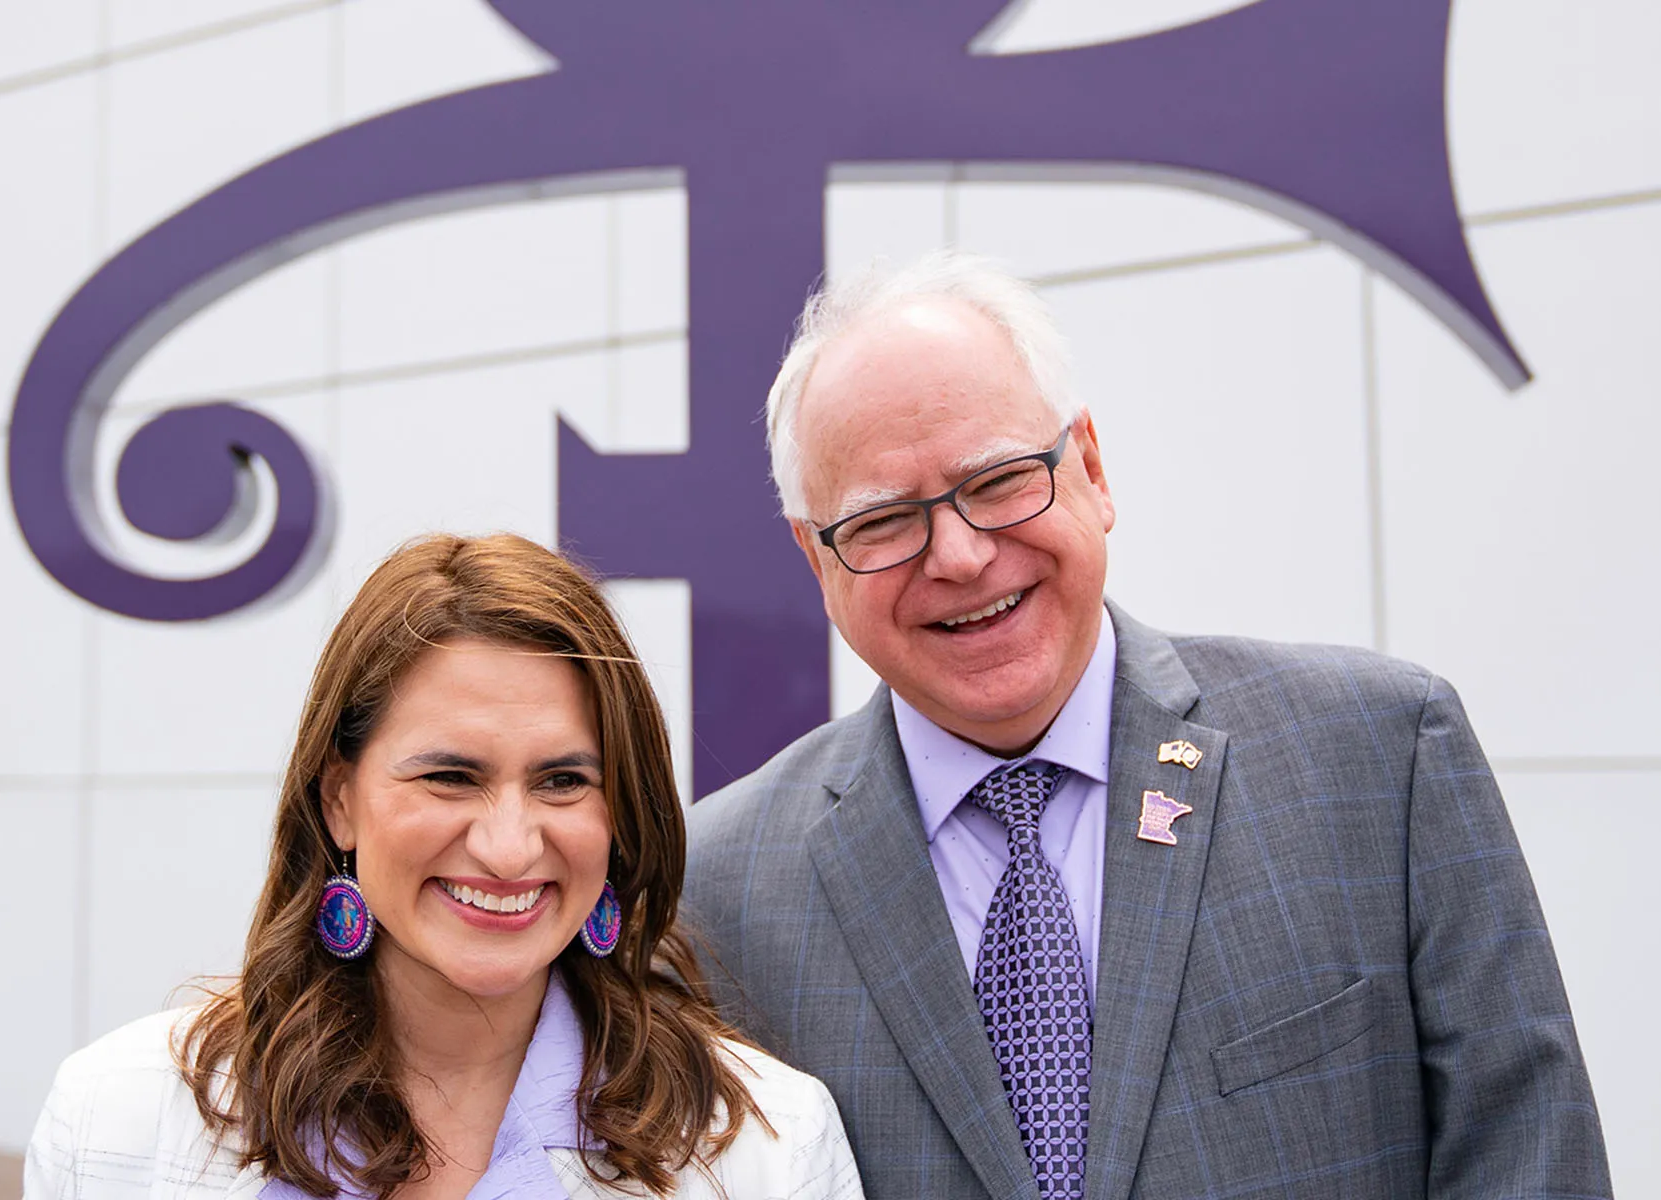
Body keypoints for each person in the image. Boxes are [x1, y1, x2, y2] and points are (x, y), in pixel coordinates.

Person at [681, 252, 1611, 1200]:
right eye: (883, 522)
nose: (958, 556)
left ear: (1090, 466)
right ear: (816, 556)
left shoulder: (1378, 759)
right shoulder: (716, 894)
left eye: (999, 481)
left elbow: (1530, 1160)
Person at [25, 533, 865, 1200]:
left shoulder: (767, 1150)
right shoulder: (117, 1119)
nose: (508, 847)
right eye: (450, 777)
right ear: (339, 799)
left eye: (564, 781)